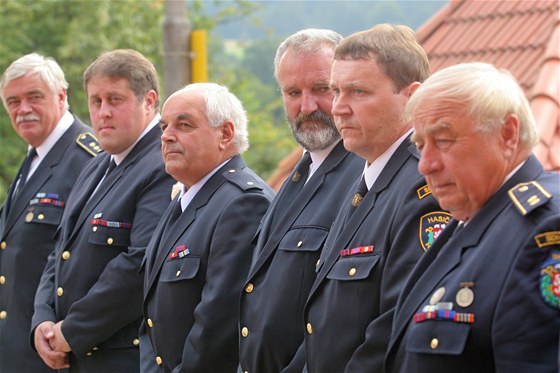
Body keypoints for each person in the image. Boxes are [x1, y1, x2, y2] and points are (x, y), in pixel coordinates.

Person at [288, 24, 449, 372]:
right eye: (336, 90)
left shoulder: (425, 190)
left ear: (411, 97)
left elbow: (395, 330)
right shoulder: (364, 181)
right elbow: (322, 329)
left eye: (358, 92)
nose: (338, 108)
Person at [385, 62, 560, 372]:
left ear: (507, 134)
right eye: (421, 145)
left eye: (443, 141)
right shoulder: (473, 216)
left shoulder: (543, 229)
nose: (425, 165)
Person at [31, 49, 175, 372]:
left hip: (120, 359)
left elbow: (138, 265)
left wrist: (69, 330)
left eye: (115, 100)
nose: (103, 112)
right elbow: (59, 251)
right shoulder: (96, 166)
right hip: (76, 355)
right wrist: (42, 319)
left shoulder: (163, 165)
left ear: (149, 101)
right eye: (96, 102)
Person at [237, 29, 363, 373]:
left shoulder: (364, 179)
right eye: (293, 92)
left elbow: (347, 322)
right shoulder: (298, 173)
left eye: (321, 89)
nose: (306, 106)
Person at [142, 82, 274, 372]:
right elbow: (152, 319)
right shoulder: (188, 196)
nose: (166, 136)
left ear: (224, 134)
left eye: (183, 125)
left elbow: (217, 328)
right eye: (164, 126)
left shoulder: (242, 204)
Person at [0, 53, 99, 373]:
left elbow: (94, 261)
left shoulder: (89, 159)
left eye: (34, 97)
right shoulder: (35, 156)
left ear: (61, 96)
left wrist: (68, 334)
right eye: (12, 101)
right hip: (18, 349)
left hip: (56, 352)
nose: (23, 109)